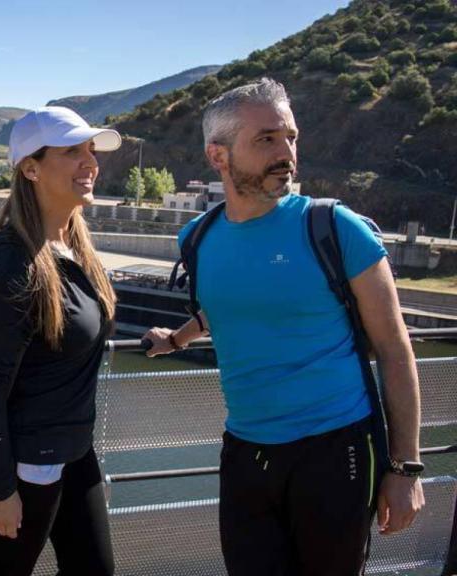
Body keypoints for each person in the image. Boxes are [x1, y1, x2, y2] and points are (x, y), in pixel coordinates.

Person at [143, 78, 424, 575]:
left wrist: (404, 469)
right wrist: (178, 339)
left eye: (291, 137)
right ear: (219, 156)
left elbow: (395, 349)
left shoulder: (336, 229)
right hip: (245, 454)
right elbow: (226, 303)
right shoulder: (198, 237)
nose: (286, 153)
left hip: (336, 451)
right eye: (266, 139)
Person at [0, 106, 120, 575]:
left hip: (72, 446)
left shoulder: (73, 246)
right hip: (23, 463)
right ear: (30, 168)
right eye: (72, 151)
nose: (89, 161)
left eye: (91, 150)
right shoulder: (14, 264)